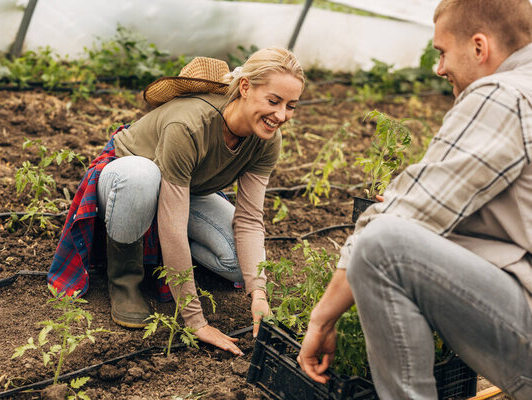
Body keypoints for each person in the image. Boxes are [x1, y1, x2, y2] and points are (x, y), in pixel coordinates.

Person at [297, 0, 532, 398]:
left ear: (479, 47)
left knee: (382, 244)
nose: (439, 69)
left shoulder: (503, 95)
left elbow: (405, 216)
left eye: (442, 52)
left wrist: (321, 319)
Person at [48, 48, 305, 355]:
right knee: (142, 178)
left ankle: (162, 258)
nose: (281, 115)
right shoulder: (191, 126)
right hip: (126, 179)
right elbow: (172, 223)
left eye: (291, 106)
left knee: (239, 265)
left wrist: (259, 293)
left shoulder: (267, 141)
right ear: (246, 88)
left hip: (186, 189)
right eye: (273, 101)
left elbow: (249, 219)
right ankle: (125, 279)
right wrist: (196, 321)